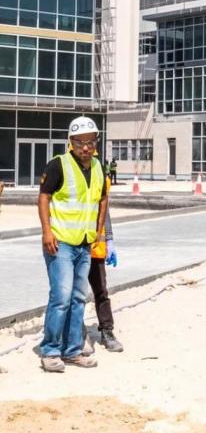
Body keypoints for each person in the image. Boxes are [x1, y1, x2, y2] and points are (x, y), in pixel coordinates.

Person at [38, 116, 107, 372]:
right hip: (61, 242)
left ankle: (73, 350)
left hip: (84, 243)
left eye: (90, 142)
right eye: (80, 143)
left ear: (96, 142)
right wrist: (47, 232)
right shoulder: (59, 165)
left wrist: (99, 231)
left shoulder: (99, 167)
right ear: (71, 142)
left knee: (79, 297)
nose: (86, 147)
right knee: (61, 298)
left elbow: (102, 199)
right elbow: (44, 197)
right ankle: (50, 350)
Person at [84, 168, 123, 354]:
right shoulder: (66, 171)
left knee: (101, 290)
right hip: (72, 244)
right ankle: (78, 333)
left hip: (95, 247)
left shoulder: (99, 174)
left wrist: (109, 239)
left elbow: (104, 209)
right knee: (73, 295)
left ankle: (107, 330)